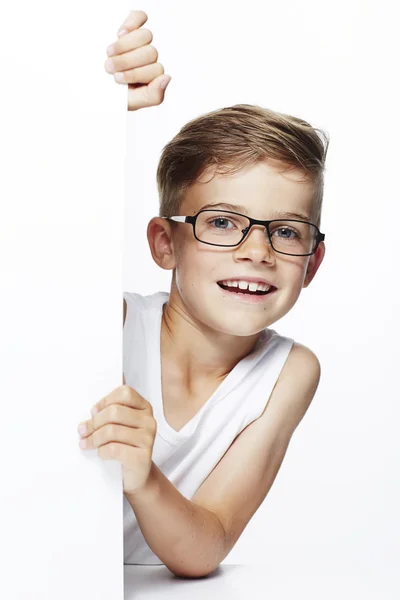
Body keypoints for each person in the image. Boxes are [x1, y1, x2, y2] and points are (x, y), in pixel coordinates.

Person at [77, 10, 328, 579]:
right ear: (165, 244)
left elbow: (205, 547)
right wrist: (92, 104)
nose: (257, 251)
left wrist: (142, 474)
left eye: (286, 230)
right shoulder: (105, 323)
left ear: (311, 262)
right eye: (221, 222)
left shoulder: (288, 372)